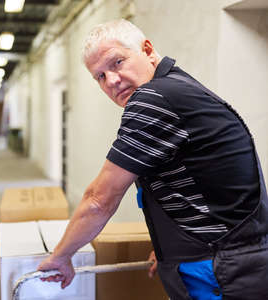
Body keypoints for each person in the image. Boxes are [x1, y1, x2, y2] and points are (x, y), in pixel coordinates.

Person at [37, 19, 268, 300]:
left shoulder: (154, 100)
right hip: (230, 258)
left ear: (147, 50)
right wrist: (171, 246)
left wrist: (61, 257)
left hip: (219, 271)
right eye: (99, 76)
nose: (111, 80)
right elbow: (207, 182)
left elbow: (99, 199)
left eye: (117, 63)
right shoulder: (178, 87)